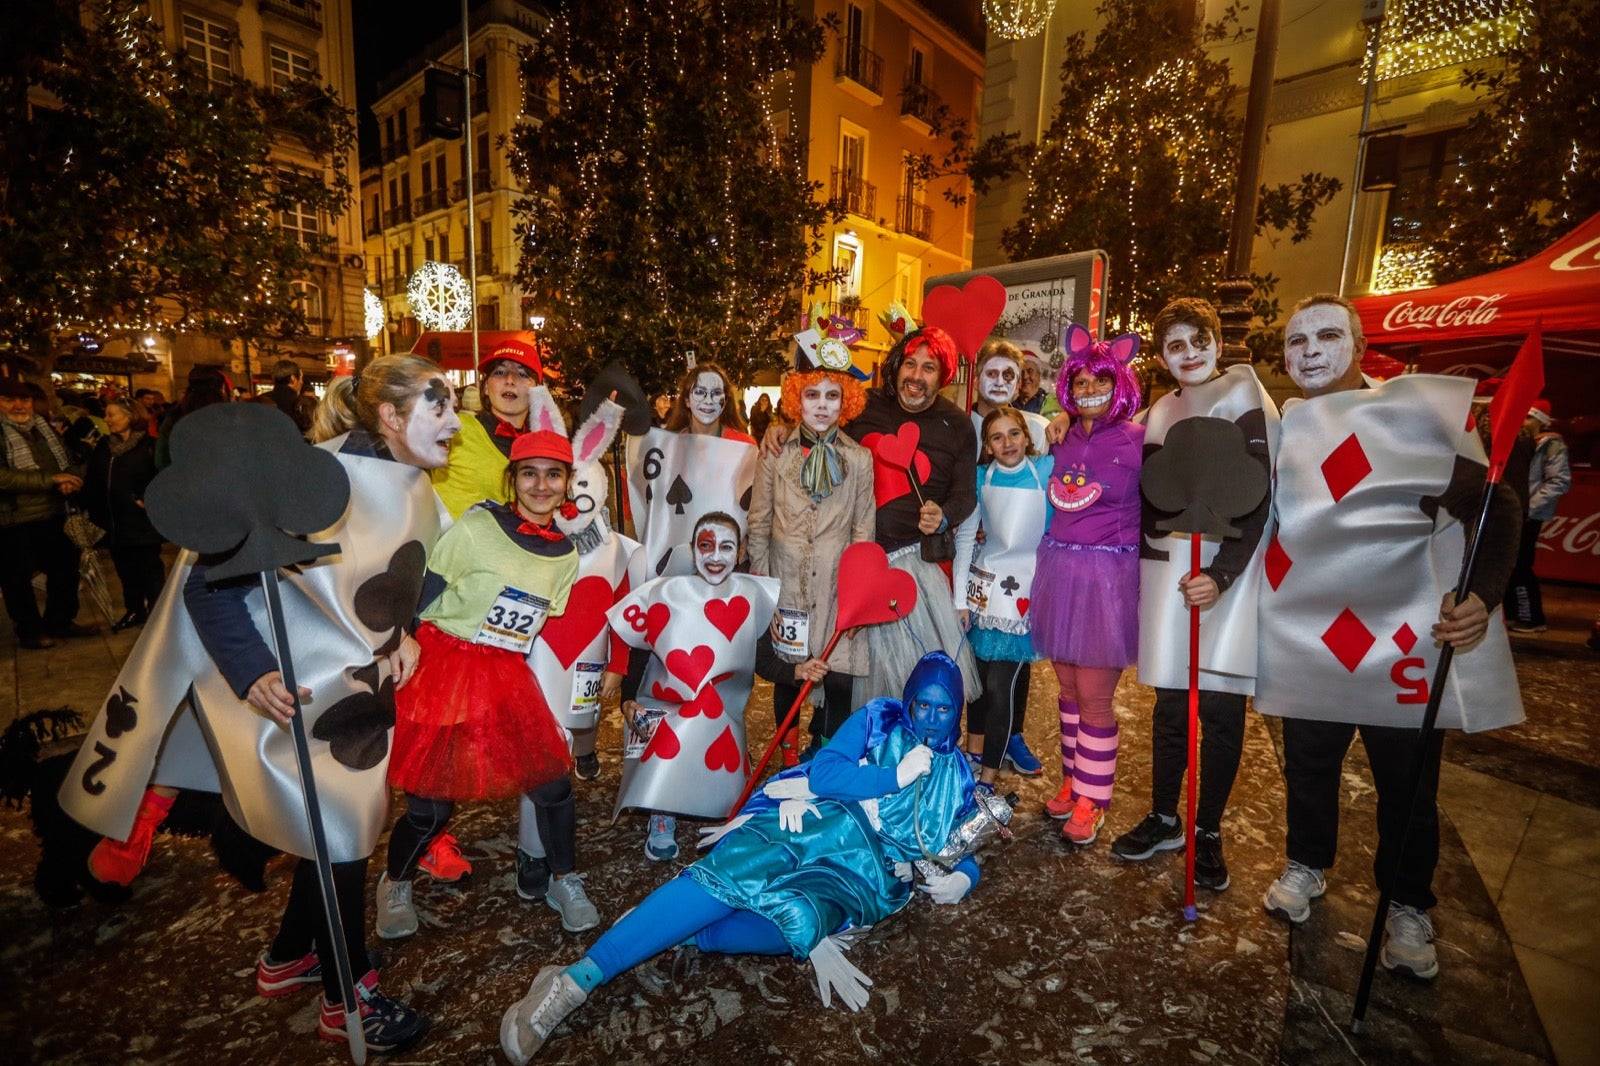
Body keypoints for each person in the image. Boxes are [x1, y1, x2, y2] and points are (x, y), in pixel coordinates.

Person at [62, 355, 457, 1051]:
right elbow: (206, 586)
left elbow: (418, 571)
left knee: (339, 832)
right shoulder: (306, 475)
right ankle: (348, 997)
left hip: (360, 698)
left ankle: (290, 957)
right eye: (439, 406)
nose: (455, 422)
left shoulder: (415, 483)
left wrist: (410, 634)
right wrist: (251, 673)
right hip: (296, 698)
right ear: (391, 416)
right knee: (343, 837)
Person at [499, 652, 987, 1065]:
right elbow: (826, 774)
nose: (929, 718)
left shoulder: (960, 775)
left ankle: (677, 928)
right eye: (921, 703)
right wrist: (892, 777)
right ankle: (577, 979)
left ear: (958, 712)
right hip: (820, 826)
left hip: (865, 881)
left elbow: (966, 842)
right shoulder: (881, 719)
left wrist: (963, 876)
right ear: (909, 698)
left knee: (798, 924)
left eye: (943, 710)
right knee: (733, 873)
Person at [1257, 294, 1522, 983]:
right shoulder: (1283, 429)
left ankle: (1408, 903)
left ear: (1360, 342)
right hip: (1312, 637)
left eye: (1326, 335)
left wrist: (1481, 593)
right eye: (1296, 341)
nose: (1310, 350)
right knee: (1308, 765)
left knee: (1407, 784)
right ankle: (1307, 862)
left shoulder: (1412, 419)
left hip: (1401, 640)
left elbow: (1495, 505)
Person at [377, 386, 584, 940]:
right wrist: (399, 640)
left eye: (553, 475)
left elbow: (536, 622)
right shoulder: (474, 528)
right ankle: (394, 880)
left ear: (568, 484)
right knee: (430, 808)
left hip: (505, 673)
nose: (541, 486)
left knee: (553, 785)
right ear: (510, 480)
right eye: (529, 474)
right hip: (444, 666)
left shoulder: (567, 555)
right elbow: (422, 598)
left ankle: (564, 878)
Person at [1110, 298, 1278, 893]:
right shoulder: (1161, 410)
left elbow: (1260, 498)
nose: (1188, 354)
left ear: (1215, 340)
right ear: (1162, 356)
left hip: (1224, 583)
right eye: (1175, 346)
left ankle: (1208, 831)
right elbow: (1153, 497)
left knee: (1222, 715)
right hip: (1169, 578)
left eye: (1197, 340)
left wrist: (1224, 575)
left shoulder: (1248, 399)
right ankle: (1164, 816)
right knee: (1170, 710)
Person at [763, 327, 981, 706]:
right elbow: (820, 425)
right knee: (840, 674)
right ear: (896, 366)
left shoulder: (957, 424)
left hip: (910, 567)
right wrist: (783, 426)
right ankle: (836, 747)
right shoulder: (864, 405)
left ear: (943, 376)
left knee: (912, 680)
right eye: (910, 364)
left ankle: (905, 753)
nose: (916, 376)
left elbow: (966, 496)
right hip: (845, 561)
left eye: (929, 368)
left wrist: (944, 516)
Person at [517, 390, 645, 900]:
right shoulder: (530, 535)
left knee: (569, 746)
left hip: (588, 665)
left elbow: (622, 606)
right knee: (539, 753)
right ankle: (531, 851)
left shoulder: (614, 545)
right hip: (536, 660)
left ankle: (559, 852)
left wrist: (619, 661)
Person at [609, 511, 780, 860]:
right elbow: (641, 653)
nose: (715, 556)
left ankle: (725, 810)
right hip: (663, 706)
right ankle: (662, 812)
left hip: (719, 712)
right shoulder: (663, 593)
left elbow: (763, 661)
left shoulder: (749, 596)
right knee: (666, 735)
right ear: (692, 548)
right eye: (706, 545)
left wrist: (800, 671)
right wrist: (627, 700)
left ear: (741, 551)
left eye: (726, 547)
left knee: (717, 735)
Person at [1033, 324, 1144, 845]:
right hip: (1059, 573)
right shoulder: (1062, 434)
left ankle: (1094, 800)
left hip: (1107, 580)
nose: (1088, 392)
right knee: (1069, 693)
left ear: (1120, 382)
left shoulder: (1144, 440)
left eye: (1100, 381)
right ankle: (1073, 782)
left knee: (1096, 700)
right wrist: (1060, 421)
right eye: (1079, 384)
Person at [747, 339, 875, 766]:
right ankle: (787, 760)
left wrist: (858, 598)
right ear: (796, 398)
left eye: (832, 395)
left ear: (847, 401)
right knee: (790, 674)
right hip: (785, 584)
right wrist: (764, 589)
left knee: (837, 676)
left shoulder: (859, 460)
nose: (822, 405)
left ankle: (825, 759)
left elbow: (863, 530)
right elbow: (759, 522)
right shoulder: (775, 453)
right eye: (812, 394)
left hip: (838, 585)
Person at [953, 406, 1052, 792]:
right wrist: (961, 599)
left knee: (1000, 689)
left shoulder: (1047, 472)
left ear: (1028, 437)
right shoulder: (980, 478)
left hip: (1025, 594)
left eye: (1014, 434)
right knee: (975, 685)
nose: (1007, 443)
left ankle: (990, 776)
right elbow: (965, 539)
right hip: (984, 592)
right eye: (997, 437)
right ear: (988, 446)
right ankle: (973, 755)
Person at [625, 362, 758, 579]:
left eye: (716, 393)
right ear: (687, 400)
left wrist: (746, 540)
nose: (708, 401)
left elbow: (756, 503)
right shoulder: (669, 448)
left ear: (726, 400)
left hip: (728, 558)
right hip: (682, 561)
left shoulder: (744, 447)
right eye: (700, 392)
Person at [0, 376, 88, 649]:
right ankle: (30, 630)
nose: (18, 405)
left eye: (24, 399)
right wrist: (51, 480)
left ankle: (59, 621)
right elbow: (3, 477)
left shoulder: (43, 428)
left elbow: (67, 460)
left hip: (53, 512)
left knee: (66, 568)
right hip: (14, 518)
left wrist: (71, 479)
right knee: (17, 578)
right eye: (9, 399)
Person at [429, 340, 544, 520]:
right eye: (499, 372)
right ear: (485, 388)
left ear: (539, 392)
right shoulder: (454, 428)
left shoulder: (545, 450)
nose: (510, 380)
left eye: (522, 374)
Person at [82, 396, 166, 632]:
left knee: (150, 569)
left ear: (130, 416)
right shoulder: (103, 446)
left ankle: (159, 613)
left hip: (142, 521)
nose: (107, 420)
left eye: (111, 415)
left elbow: (164, 480)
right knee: (125, 570)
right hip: (112, 521)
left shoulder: (150, 446)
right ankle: (135, 610)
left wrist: (149, 501)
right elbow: (92, 478)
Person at [1506, 399, 1569, 633]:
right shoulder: (1523, 442)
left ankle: (1531, 618)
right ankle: (1512, 615)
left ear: (1540, 422)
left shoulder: (1552, 445)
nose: (1523, 421)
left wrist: (1528, 507)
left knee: (1521, 565)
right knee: (1510, 565)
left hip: (1528, 515)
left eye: (1529, 417)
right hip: (1515, 512)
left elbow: (1560, 481)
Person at [155, 364, 231, 469]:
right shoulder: (229, 416)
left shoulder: (175, 416)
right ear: (222, 388)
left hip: (185, 478)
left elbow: (161, 459)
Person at [267, 359, 315, 434]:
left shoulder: (261, 400)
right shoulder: (301, 404)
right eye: (301, 378)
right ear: (293, 379)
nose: (302, 382)